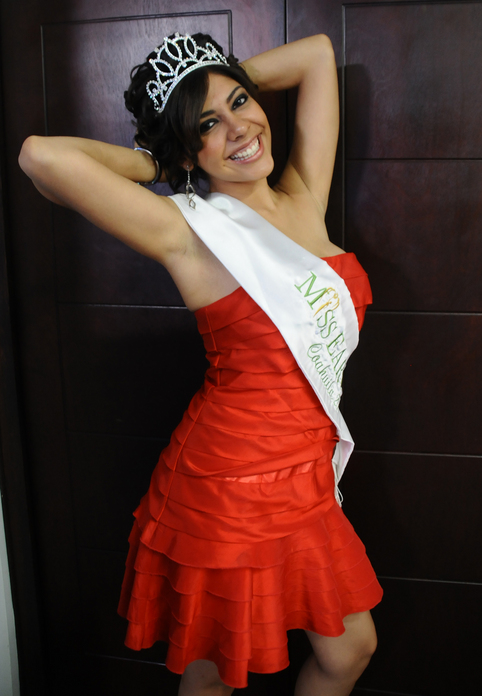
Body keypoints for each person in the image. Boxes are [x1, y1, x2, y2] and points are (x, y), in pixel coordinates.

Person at [19, 32, 383, 696]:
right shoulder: (188, 233)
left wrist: (211, 84)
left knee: (349, 650)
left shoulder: (304, 193)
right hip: (227, 486)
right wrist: (157, 155)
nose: (239, 127)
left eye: (241, 103)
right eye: (208, 126)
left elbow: (315, 55)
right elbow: (40, 156)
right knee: (215, 674)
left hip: (303, 475)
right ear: (188, 153)